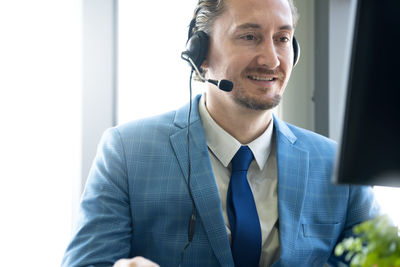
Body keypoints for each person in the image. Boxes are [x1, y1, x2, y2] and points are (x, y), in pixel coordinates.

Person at [62, 0, 380, 266]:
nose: (271, 59)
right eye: (249, 37)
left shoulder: (338, 166)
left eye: (282, 39)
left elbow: (383, 257)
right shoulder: (126, 152)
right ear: (200, 54)